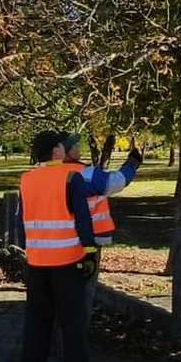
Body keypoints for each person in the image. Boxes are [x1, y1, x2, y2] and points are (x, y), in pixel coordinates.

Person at [16, 130, 98, 362]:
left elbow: (22, 222)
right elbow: (82, 220)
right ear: (56, 152)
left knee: (37, 324)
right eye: (63, 146)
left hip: (36, 263)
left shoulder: (26, 180)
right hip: (67, 262)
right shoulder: (70, 177)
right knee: (73, 325)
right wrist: (89, 252)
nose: (67, 149)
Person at [59, 133, 142, 323]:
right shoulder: (86, 174)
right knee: (83, 292)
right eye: (75, 146)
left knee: (59, 293)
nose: (79, 149)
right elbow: (116, 182)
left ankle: (58, 339)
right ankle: (76, 337)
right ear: (66, 151)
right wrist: (132, 165)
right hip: (87, 241)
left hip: (55, 243)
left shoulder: (44, 175)